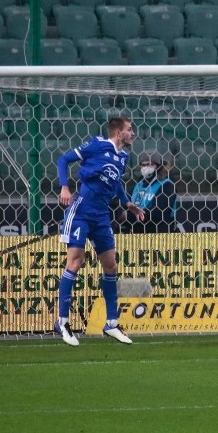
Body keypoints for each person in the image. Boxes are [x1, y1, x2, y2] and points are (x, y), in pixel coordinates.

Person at [55, 116, 144, 347]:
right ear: (118, 132)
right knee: (75, 262)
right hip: (82, 210)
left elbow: (115, 183)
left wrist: (127, 203)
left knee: (111, 265)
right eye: (129, 130)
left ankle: (111, 323)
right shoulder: (97, 145)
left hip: (101, 216)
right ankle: (62, 321)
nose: (132, 133)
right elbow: (63, 159)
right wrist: (64, 187)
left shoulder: (123, 156)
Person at [118, 151, 175, 234]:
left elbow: (157, 213)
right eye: (143, 165)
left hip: (160, 234)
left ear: (158, 166)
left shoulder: (167, 185)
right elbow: (126, 203)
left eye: (150, 164)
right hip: (137, 234)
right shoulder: (138, 185)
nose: (146, 167)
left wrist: (127, 216)